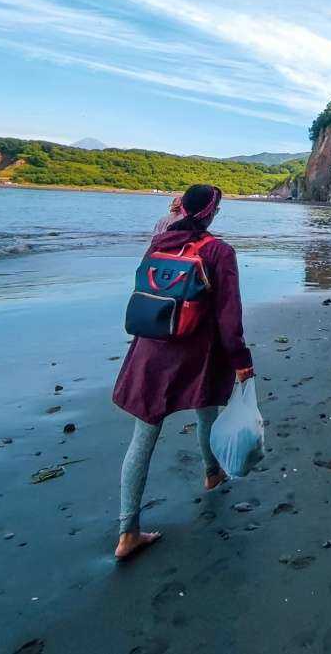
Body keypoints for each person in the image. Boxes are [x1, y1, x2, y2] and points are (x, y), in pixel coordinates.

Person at [111, 184, 254, 561]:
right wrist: (241, 360)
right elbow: (229, 316)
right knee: (206, 411)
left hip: (152, 348)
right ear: (211, 213)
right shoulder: (219, 251)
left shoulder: (159, 241)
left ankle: (128, 531)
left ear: (183, 209)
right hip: (198, 351)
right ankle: (211, 472)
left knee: (143, 437)